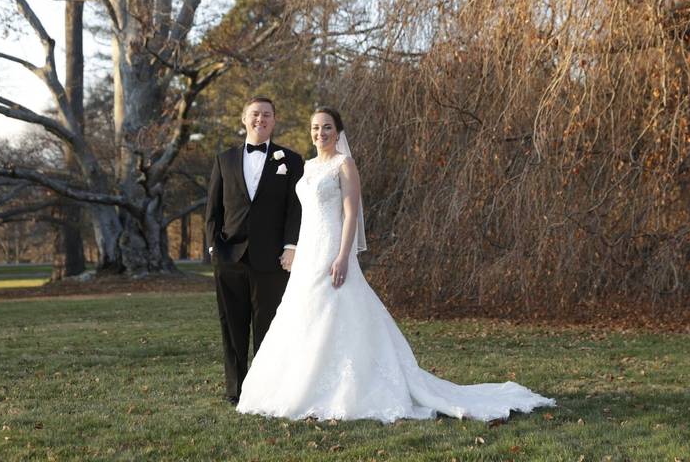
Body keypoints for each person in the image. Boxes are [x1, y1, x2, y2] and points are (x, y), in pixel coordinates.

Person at [236, 107, 554, 422]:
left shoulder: (344, 165)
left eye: (327, 128)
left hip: (332, 249)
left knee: (337, 310)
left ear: (338, 132)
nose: (321, 134)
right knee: (303, 315)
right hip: (308, 252)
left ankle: (350, 388)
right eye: (316, 128)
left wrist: (343, 256)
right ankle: (300, 385)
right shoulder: (306, 168)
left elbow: (350, 215)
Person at [205, 97, 304, 404]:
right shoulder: (225, 159)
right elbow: (213, 209)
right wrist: (213, 247)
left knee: (268, 328)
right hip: (229, 258)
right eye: (255, 114)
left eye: (267, 115)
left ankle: (265, 390)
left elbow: (295, 209)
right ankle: (236, 391)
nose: (260, 119)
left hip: (273, 259)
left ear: (274, 121)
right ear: (244, 119)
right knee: (232, 327)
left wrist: (291, 247)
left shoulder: (291, 160)